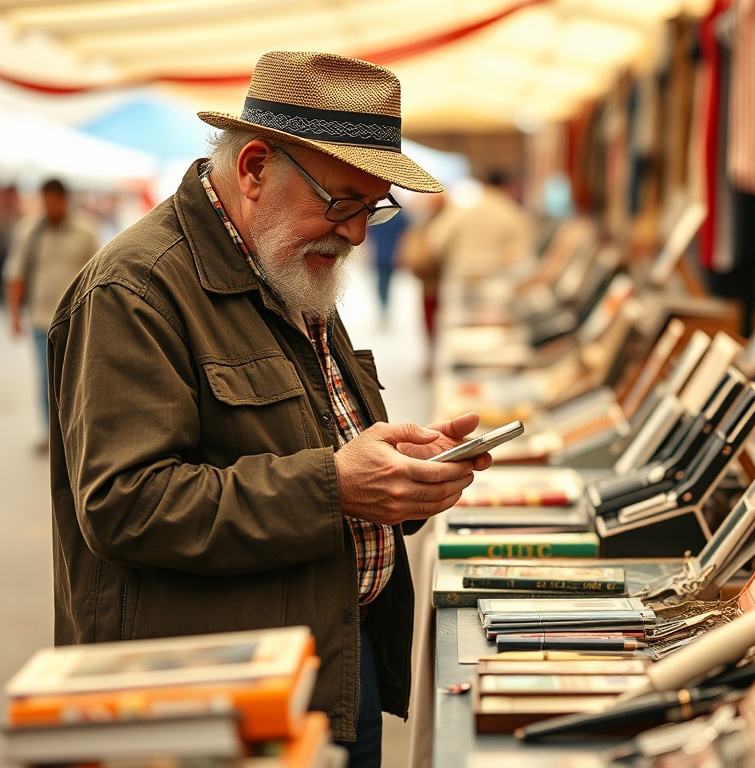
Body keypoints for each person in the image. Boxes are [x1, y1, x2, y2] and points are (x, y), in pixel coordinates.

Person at [47, 51, 491, 768]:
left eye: (372, 207)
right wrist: (337, 485)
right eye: (343, 200)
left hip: (330, 663)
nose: (355, 233)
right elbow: (125, 503)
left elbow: (312, 439)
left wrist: (397, 475)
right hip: (217, 706)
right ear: (255, 169)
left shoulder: (283, 260)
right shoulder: (134, 290)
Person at [4, 178, 99, 447]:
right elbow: (15, 274)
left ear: (64, 201)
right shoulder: (28, 231)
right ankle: (53, 436)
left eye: (54, 202)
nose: (50, 208)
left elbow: (98, 274)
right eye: (45, 202)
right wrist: (14, 316)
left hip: (77, 319)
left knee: (78, 378)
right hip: (40, 319)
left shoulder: (86, 230)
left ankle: (77, 433)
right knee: (47, 378)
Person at [366, 204, 408, 326]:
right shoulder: (386, 216)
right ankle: (384, 307)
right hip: (383, 254)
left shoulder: (395, 216)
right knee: (382, 284)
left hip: (388, 254)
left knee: (383, 283)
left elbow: (403, 235)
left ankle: (384, 307)